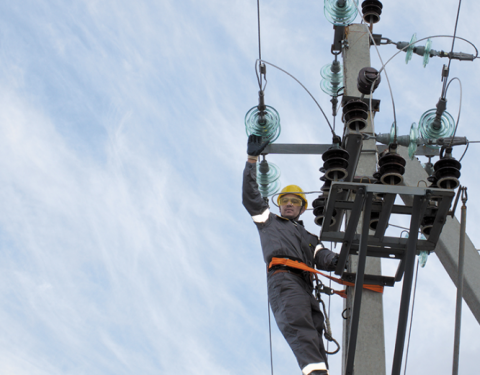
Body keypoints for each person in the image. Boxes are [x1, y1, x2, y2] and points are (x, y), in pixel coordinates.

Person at [242, 135, 340, 375]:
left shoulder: (310, 238)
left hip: (306, 284)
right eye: (284, 200)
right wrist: (251, 160)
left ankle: (321, 372)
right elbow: (251, 198)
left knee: (316, 331)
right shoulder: (269, 221)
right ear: (278, 204)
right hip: (284, 279)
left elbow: (323, 257)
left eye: (294, 201)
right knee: (300, 327)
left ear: (302, 207)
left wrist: (341, 260)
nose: (288, 204)